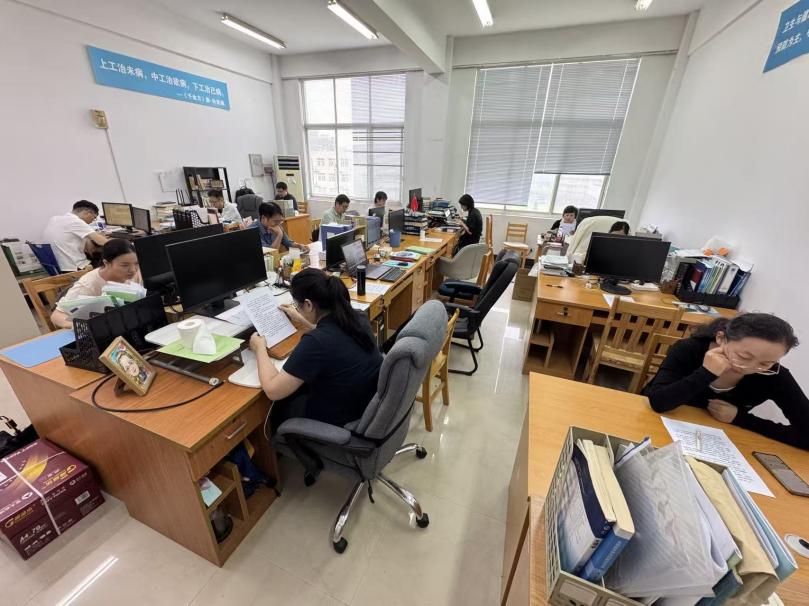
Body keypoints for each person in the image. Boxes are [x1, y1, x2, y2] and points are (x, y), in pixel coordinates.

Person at [644, 313, 809, 450]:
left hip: (715, 442)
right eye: (743, 357)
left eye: (765, 363)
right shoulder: (689, 349)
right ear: (721, 338)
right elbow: (659, 402)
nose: (749, 367)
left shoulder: (774, 376)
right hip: (657, 426)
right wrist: (706, 373)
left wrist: (740, 418)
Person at [250, 268, 383, 433]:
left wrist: (259, 348)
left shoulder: (315, 342)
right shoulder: (357, 317)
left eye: (297, 306)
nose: (297, 309)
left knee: (279, 407)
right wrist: (301, 318)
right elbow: (333, 333)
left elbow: (272, 390)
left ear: (308, 304)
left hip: (340, 420)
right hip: (367, 404)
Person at [50, 239, 142, 329]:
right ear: (106, 263)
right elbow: (57, 316)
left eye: (136, 263)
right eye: (124, 265)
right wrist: (78, 326)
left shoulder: (135, 273)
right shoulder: (88, 285)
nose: (133, 270)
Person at [43, 200, 109, 271]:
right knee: (110, 262)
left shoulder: (55, 219)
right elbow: (102, 242)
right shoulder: (76, 221)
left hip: (58, 266)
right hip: (75, 268)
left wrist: (91, 237)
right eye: (94, 217)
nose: (93, 221)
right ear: (88, 213)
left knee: (96, 254)